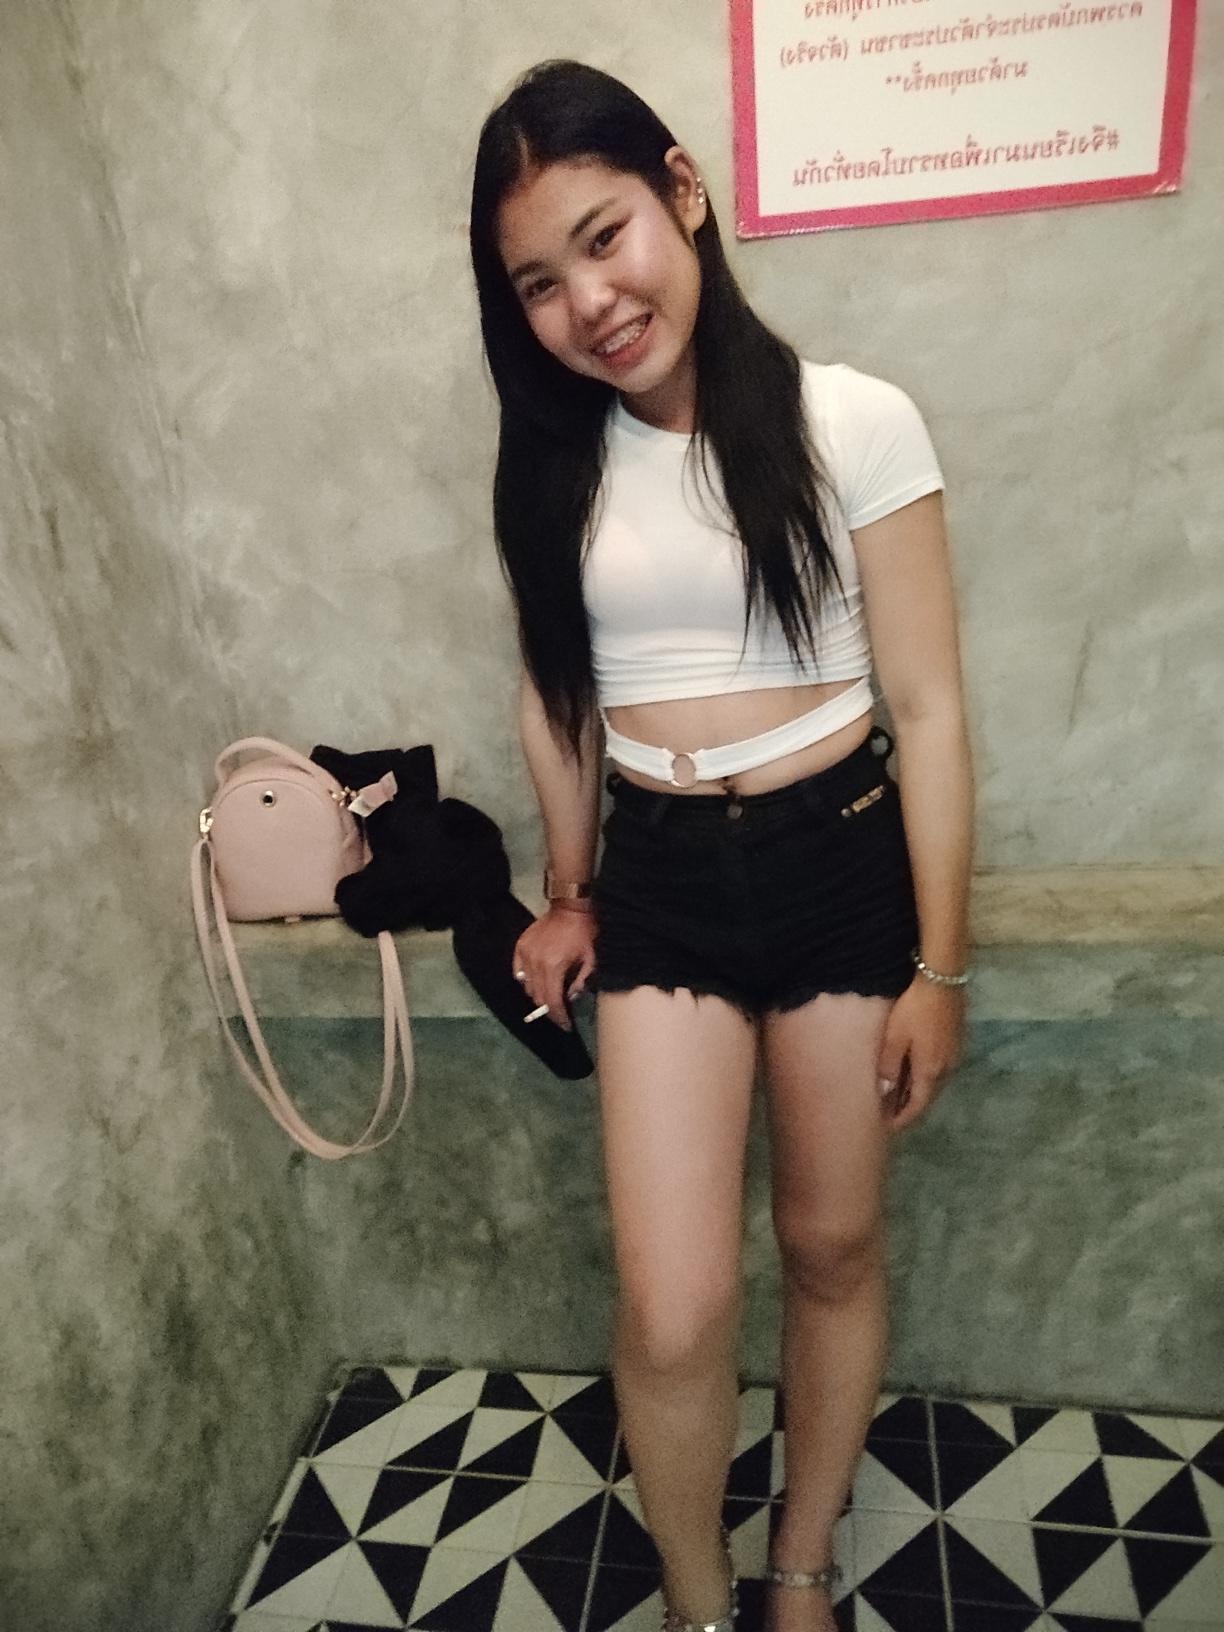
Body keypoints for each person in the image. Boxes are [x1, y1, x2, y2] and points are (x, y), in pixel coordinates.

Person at [469, 60, 974, 1632]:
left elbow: (929, 709)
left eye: (603, 237)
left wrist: (942, 969)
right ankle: (698, 1604)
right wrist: (567, 891)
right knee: (677, 1307)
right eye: (538, 283)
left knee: (829, 1244)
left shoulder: (853, 420)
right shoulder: (551, 464)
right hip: (666, 885)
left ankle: (801, 1566)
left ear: (683, 192)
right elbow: (560, 702)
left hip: (841, 863)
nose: (589, 304)